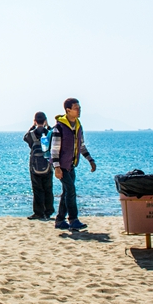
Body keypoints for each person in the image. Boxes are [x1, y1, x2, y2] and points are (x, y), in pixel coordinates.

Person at [50, 98, 97, 231]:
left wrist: (90, 160)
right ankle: (73, 219)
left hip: (71, 165)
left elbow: (81, 146)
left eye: (79, 108)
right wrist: (57, 168)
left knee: (66, 192)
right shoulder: (59, 128)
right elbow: (54, 149)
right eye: (76, 108)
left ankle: (59, 220)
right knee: (70, 191)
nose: (79, 110)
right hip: (61, 166)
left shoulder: (78, 126)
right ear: (68, 110)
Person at [24, 111, 54, 220]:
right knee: (48, 189)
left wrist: (33, 126)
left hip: (34, 167)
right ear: (45, 120)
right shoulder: (49, 133)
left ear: (35, 121)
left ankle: (38, 212)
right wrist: (47, 126)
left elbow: (25, 138)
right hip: (48, 165)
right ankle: (48, 211)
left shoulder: (31, 135)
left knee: (37, 189)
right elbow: (54, 137)